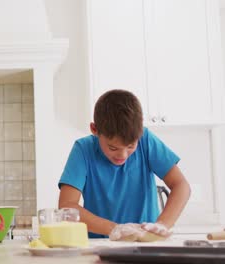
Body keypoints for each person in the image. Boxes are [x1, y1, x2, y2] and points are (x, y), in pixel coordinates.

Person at [58, 89, 190, 240]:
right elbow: (67, 207)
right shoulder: (83, 149)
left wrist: (162, 225)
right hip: (100, 245)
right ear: (94, 129)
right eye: (113, 147)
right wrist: (115, 229)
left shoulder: (146, 140)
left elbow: (181, 185)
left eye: (130, 146)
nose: (123, 155)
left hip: (145, 244)